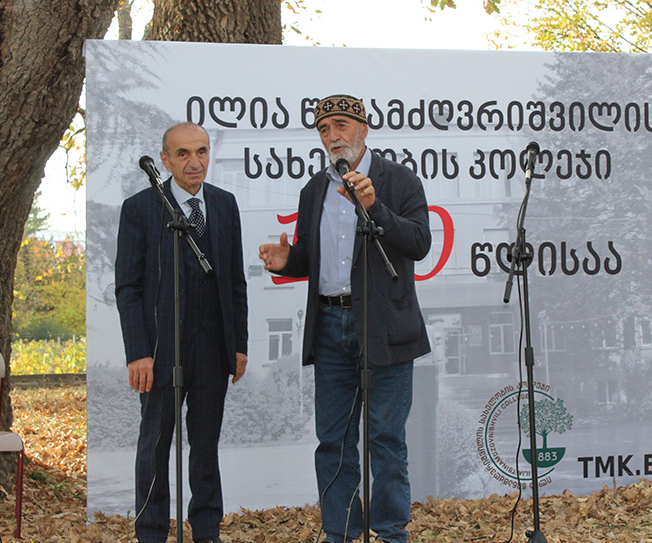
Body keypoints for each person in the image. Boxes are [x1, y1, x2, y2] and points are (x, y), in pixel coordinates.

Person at [259, 94, 431, 543]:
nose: (332, 136)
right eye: (323, 129)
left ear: (363, 129)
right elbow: (318, 262)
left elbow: (419, 244)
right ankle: (340, 532)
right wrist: (288, 261)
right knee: (333, 441)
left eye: (340, 125)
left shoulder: (399, 180)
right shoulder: (314, 189)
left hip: (385, 328)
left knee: (386, 440)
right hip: (332, 327)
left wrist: (376, 208)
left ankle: (392, 533)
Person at [115, 122, 248, 543]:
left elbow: (235, 281)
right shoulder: (140, 208)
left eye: (202, 152)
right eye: (184, 154)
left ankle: (207, 531)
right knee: (155, 445)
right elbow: (128, 286)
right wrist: (138, 351)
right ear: (165, 160)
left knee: (206, 446)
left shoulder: (225, 205)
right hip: (160, 349)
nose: (195, 162)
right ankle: (151, 532)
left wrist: (239, 344)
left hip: (213, 347)